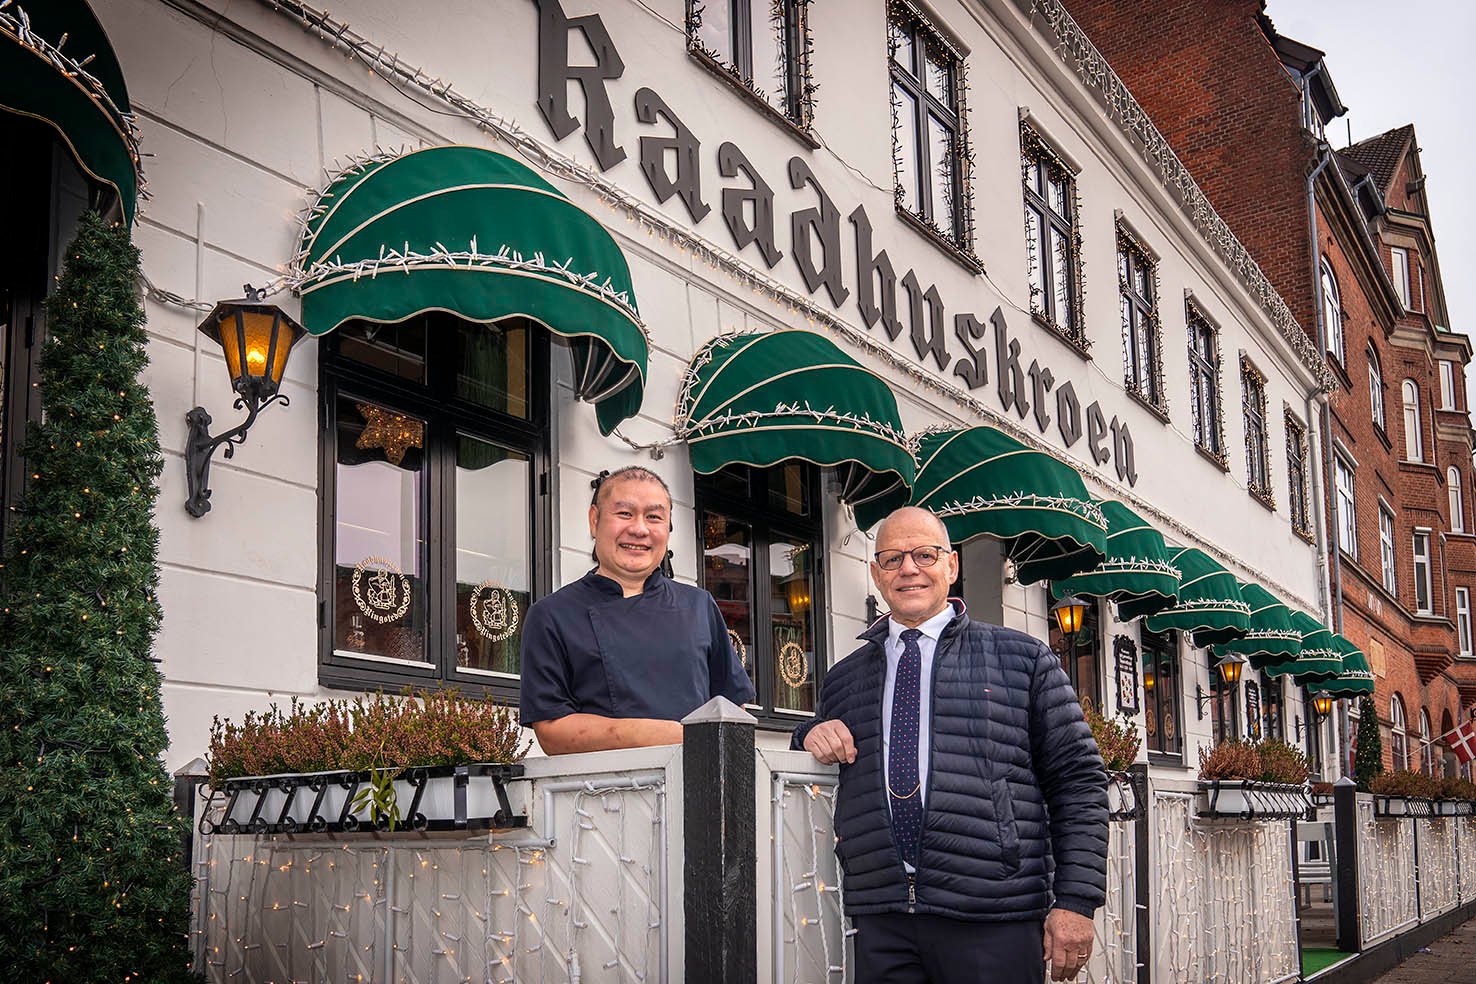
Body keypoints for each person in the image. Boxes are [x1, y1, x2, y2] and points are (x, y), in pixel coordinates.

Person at [792, 506, 1108, 983]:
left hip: (993, 915)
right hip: (884, 920)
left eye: (924, 554)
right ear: (876, 575)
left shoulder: (1022, 660)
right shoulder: (844, 679)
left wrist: (1076, 902)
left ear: (952, 566)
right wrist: (805, 733)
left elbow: (1079, 782)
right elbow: (816, 742)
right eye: (893, 558)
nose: (909, 569)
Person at [519, 466, 754, 753]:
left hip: (698, 785)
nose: (640, 529)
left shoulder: (700, 606)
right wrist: (676, 734)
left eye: (654, 517)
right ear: (594, 521)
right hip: (603, 792)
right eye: (625, 514)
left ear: (667, 530)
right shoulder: (552, 615)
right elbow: (553, 733)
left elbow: (731, 712)